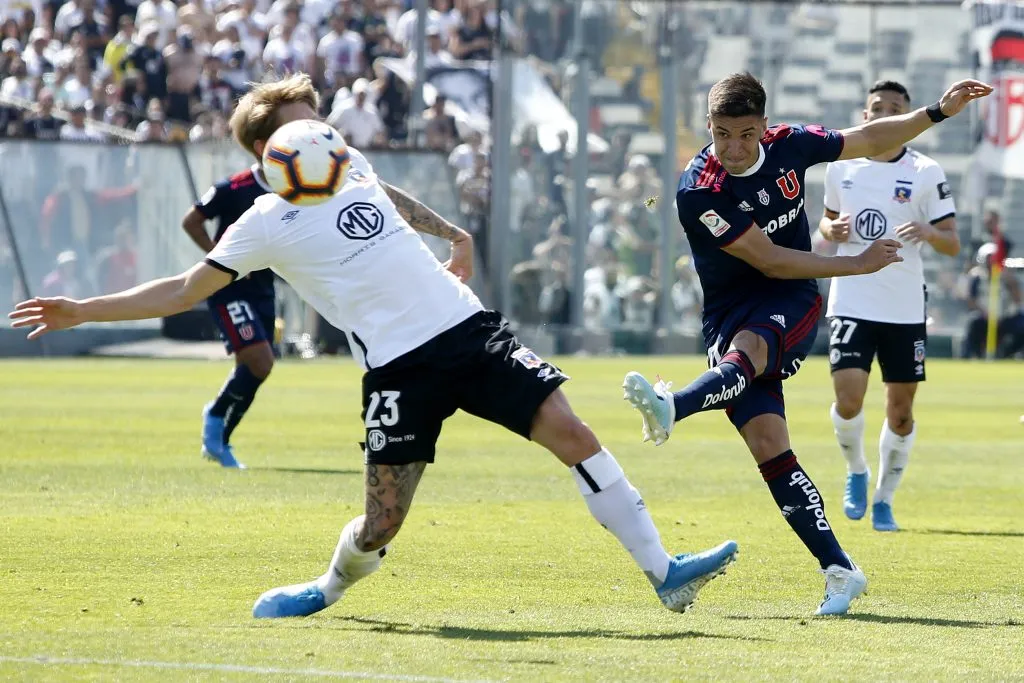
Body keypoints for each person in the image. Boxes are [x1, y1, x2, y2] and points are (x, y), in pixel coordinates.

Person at [9, 73, 738, 618]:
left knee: (572, 432)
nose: (323, 129)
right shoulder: (261, 222)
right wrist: (82, 310)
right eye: (305, 123)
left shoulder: (349, 161)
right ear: (271, 150)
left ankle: (664, 570)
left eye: (321, 120)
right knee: (383, 521)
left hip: (468, 330)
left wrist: (452, 234)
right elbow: (181, 289)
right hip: (397, 368)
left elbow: (391, 199)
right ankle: (329, 586)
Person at [621, 72, 989, 615]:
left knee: (750, 348)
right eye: (722, 134)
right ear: (709, 128)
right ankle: (840, 571)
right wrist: (854, 264)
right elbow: (766, 257)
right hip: (729, 311)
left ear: (764, 127)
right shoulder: (699, 189)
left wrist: (936, 112)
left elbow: (866, 139)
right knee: (771, 447)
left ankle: (674, 405)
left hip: (792, 302)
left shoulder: (790, 145)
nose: (734, 147)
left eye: (746, 134)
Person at [818, 80, 961, 532]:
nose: (883, 114)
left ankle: (884, 498)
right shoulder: (840, 169)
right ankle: (856, 469)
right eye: (876, 107)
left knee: (900, 412)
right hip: (851, 298)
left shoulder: (925, 171)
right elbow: (826, 227)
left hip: (902, 307)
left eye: (894, 108)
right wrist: (830, 232)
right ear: (864, 116)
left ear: (907, 117)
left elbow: (953, 243)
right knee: (848, 399)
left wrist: (929, 232)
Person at [179, 152, 278, 469]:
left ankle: (220, 442)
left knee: (253, 369)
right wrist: (221, 258)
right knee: (261, 361)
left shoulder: (292, 189)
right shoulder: (233, 187)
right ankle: (216, 416)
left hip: (263, 287)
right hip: (228, 287)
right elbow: (191, 220)